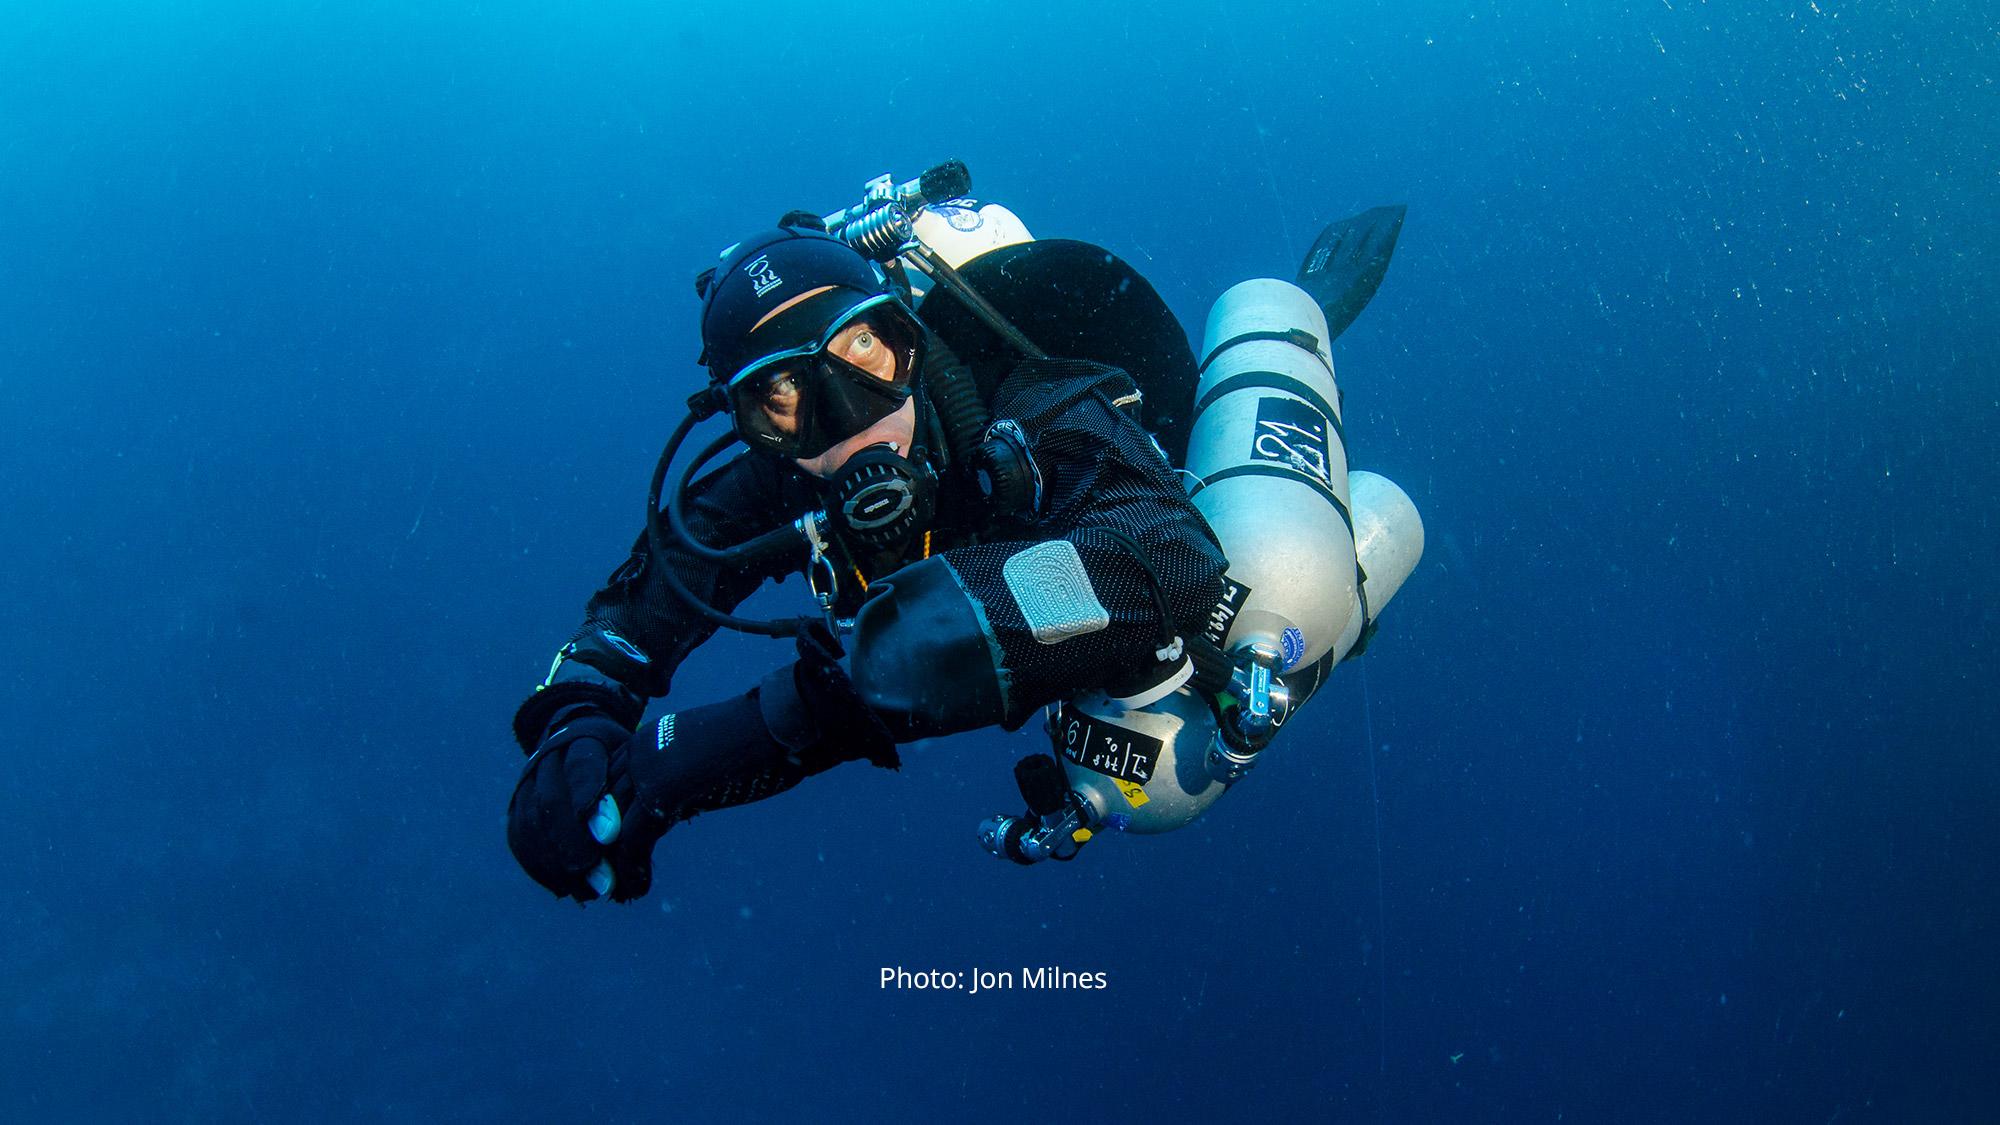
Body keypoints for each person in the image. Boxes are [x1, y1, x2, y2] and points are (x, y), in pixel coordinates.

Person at [506, 213, 1230, 902]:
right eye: (782, 389)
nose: (849, 415)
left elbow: (1170, 556)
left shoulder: (1025, 396)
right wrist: (574, 712)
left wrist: (791, 714)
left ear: (905, 334)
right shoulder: (783, 471)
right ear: (750, 421)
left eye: (860, 348)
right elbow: (646, 598)